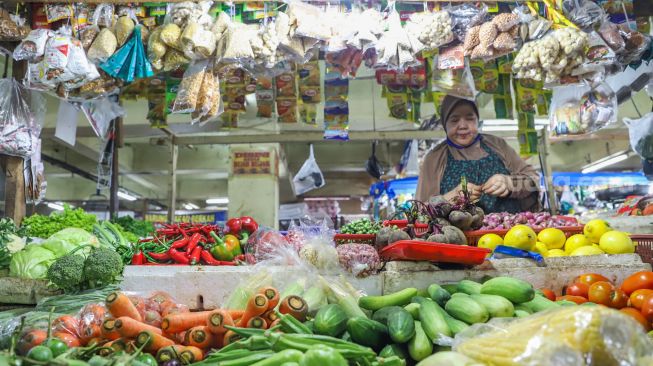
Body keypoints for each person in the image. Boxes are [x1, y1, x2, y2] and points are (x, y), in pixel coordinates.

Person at [416, 95, 540, 213]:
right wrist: (451, 197)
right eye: (454, 120)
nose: (463, 126)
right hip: (457, 234)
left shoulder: (498, 145)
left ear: (477, 120)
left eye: (470, 118)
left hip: (507, 232)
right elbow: (420, 211)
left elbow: (533, 181)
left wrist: (509, 183)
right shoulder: (434, 158)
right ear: (444, 124)